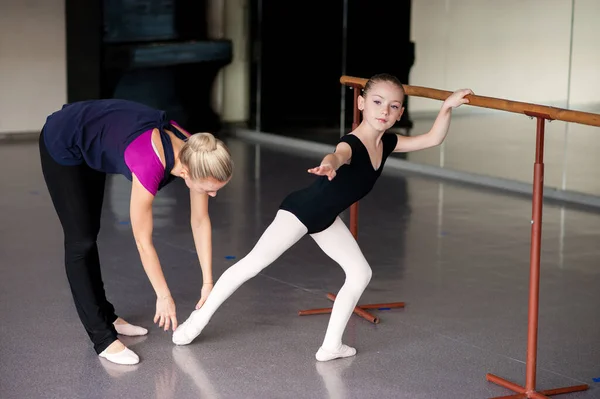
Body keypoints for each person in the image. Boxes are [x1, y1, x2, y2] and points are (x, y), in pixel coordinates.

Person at [172, 73, 473, 361]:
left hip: (325, 217)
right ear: (361, 103)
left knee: (360, 273)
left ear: (400, 113)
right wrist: (330, 164)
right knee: (251, 265)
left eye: (393, 106)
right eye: (377, 102)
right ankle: (195, 323)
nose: (385, 111)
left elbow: (432, 139)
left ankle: (331, 346)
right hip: (300, 211)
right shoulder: (354, 143)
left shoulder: (388, 143)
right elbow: (338, 154)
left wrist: (447, 106)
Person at [39, 99, 233, 365]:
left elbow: (200, 221)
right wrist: (163, 296)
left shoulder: (198, 151)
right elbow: (143, 241)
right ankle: (102, 338)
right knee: (80, 241)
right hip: (64, 136)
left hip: (95, 137)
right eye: (209, 188)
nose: (213, 194)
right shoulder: (149, 162)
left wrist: (208, 282)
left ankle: (105, 314)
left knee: (89, 231)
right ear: (186, 172)